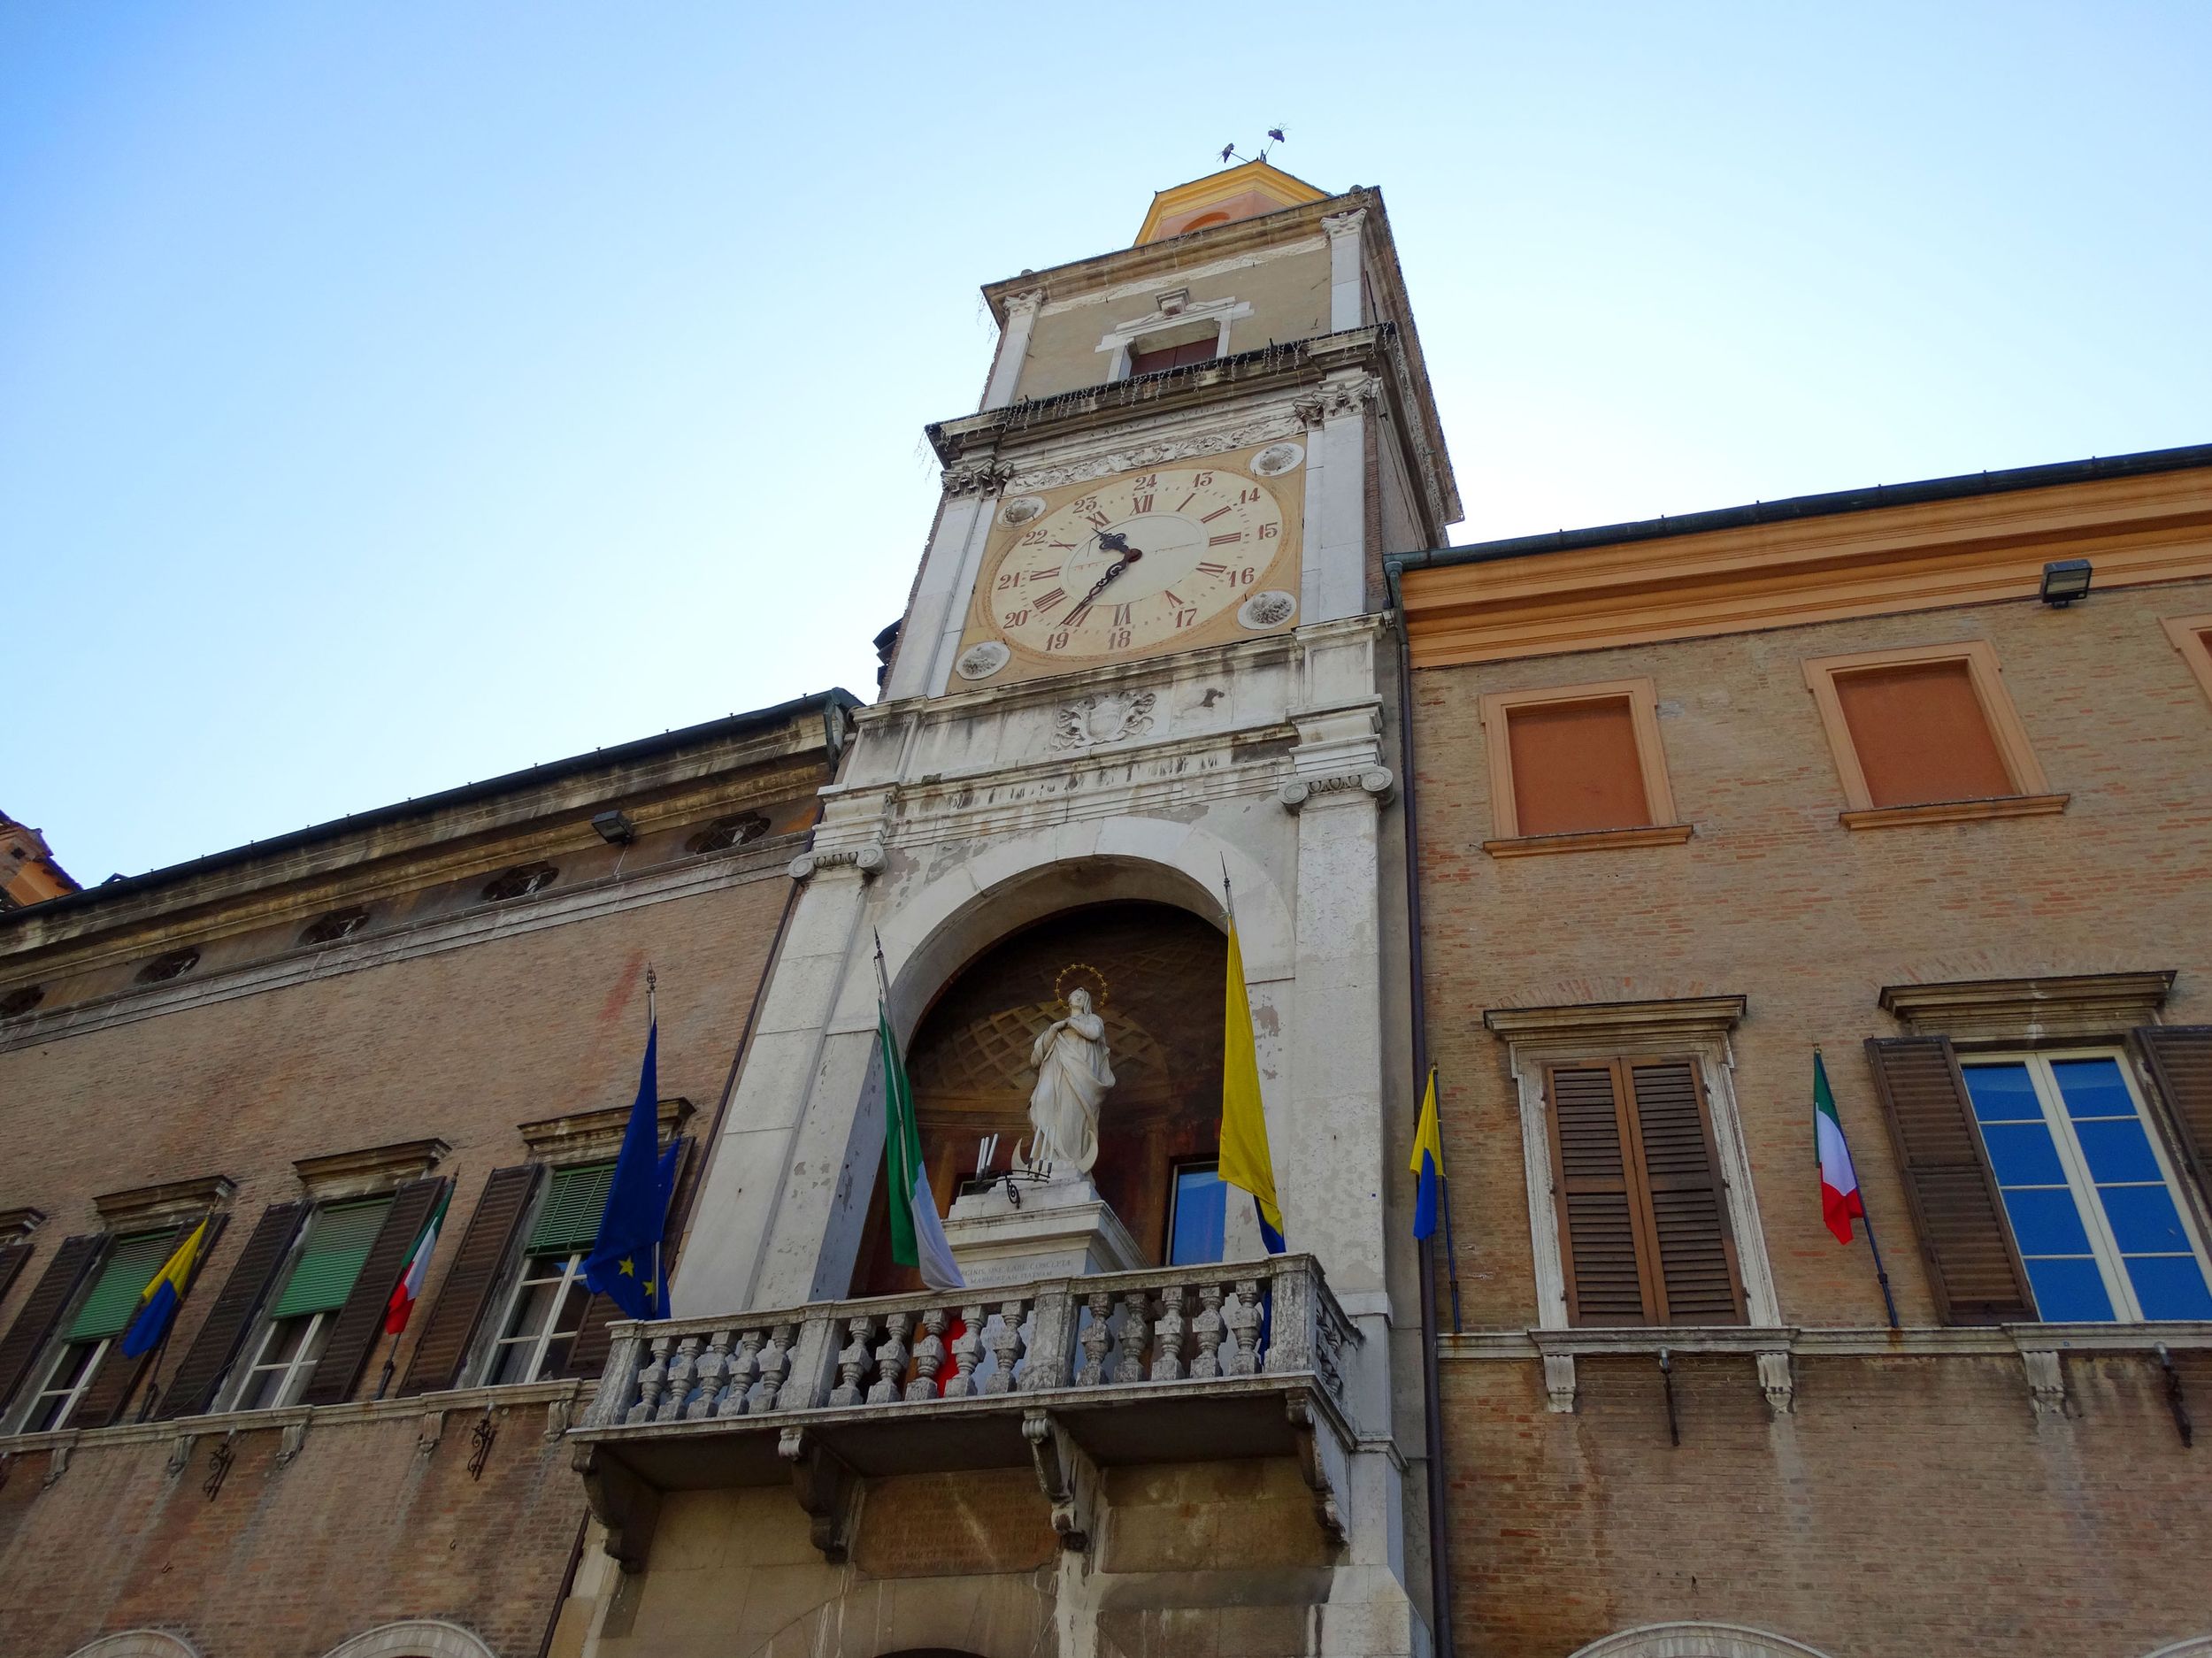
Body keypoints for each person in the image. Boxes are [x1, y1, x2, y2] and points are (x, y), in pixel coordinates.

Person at [1023, 986, 1113, 1176]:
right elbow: (1036, 1058)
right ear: (1069, 1000)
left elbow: (1094, 1033)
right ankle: (1046, 1159)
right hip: (1055, 1071)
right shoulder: (1057, 1026)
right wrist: (1054, 1029)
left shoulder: (1092, 1020)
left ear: (1086, 1003)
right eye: (1075, 995)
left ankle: (1069, 1159)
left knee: (1070, 1114)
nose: (1078, 998)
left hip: (1080, 1077)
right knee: (1042, 1101)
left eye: (1082, 997)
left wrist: (1071, 1023)